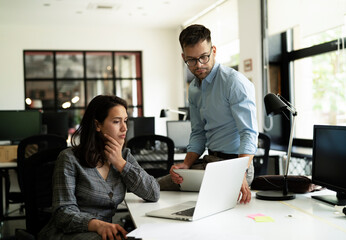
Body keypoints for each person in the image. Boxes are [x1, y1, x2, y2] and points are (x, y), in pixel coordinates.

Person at [159, 24, 258, 204]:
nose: (199, 65)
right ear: (183, 57)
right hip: (210, 162)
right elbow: (198, 133)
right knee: (159, 187)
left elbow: (249, 134)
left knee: (205, 205)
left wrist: (239, 172)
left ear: (213, 50)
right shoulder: (195, 89)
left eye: (204, 57)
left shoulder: (234, 83)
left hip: (235, 165)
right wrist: (187, 164)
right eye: (191, 60)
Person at [38, 95, 160, 240]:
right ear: (97, 125)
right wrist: (98, 225)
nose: (124, 128)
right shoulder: (69, 158)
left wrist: (120, 164)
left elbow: (153, 193)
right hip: (68, 234)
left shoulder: (124, 156)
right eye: (116, 122)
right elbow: (63, 213)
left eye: (125, 121)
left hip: (104, 234)